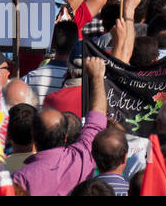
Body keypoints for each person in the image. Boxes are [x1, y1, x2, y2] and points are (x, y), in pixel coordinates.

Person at [13, 56, 108, 196]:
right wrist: (97, 77)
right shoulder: (81, 159)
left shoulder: (20, 179)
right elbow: (98, 116)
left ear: (33, 136)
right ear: (65, 136)